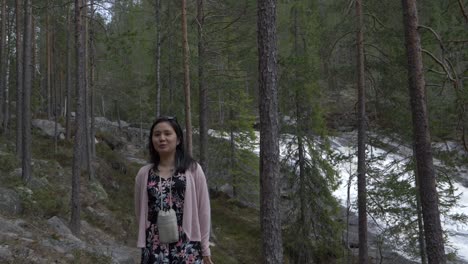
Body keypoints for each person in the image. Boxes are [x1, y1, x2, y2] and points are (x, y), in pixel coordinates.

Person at [134, 116, 214, 264]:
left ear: (178, 140)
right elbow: (140, 211)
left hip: (187, 244)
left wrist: (205, 248)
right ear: (152, 140)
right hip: (154, 245)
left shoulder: (193, 170)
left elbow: (204, 211)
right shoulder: (144, 174)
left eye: (167, 133)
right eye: (157, 134)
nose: (162, 138)